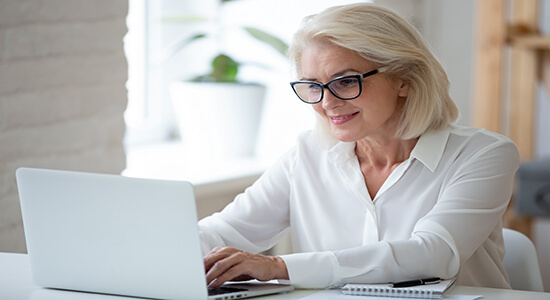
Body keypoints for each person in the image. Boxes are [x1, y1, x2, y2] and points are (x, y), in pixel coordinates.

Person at [199, 3, 519, 290]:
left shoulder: (483, 155)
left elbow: (434, 254)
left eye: (347, 81)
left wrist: (279, 267)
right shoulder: (307, 155)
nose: (327, 103)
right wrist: (173, 249)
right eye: (313, 86)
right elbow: (225, 231)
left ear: (404, 78)